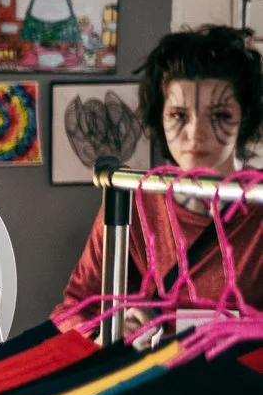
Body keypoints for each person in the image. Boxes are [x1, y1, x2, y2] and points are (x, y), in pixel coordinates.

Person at [59, 24, 263, 321]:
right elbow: (74, 310)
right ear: (160, 116)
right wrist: (109, 332)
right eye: (179, 116)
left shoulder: (258, 207)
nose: (196, 133)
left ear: (244, 119)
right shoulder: (132, 199)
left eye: (220, 116)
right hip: (150, 366)